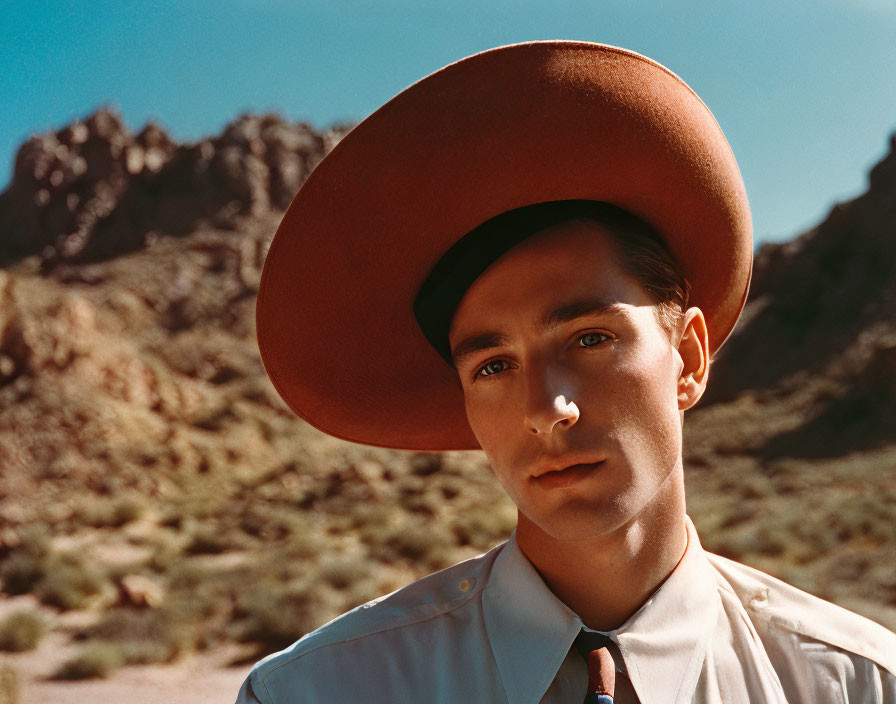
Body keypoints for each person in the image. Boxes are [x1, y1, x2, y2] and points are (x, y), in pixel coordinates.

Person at [236, 41, 896, 703]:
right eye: (493, 365)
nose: (548, 407)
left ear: (689, 360)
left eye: (588, 338)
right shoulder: (319, 692)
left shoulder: (855, 685)